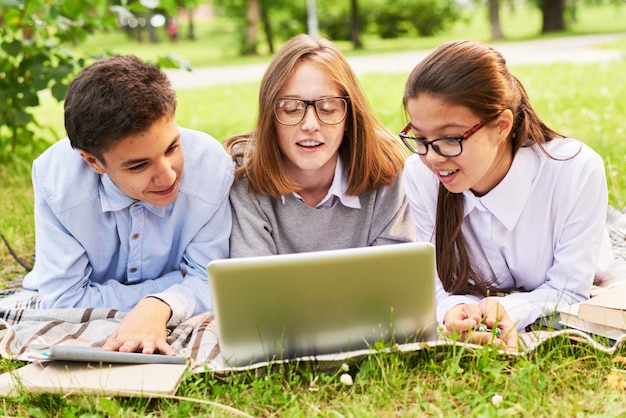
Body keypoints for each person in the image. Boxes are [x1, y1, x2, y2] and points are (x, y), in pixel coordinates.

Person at [400, 40, 614, 348]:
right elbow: (430, 287)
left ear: (501, 126)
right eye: (420, 137)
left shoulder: (576, 171)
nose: (432, 157)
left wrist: (505, 311)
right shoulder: (419, 175)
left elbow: (568, 288)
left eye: (449, 138)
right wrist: (453, 311)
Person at [22, 55, 235, 355]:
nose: (168, 175)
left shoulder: (211, 167)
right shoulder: (55, 181)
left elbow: (213, 280)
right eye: (139, 166)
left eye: (172, 147)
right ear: (93, 161)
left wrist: (158, 307)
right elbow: (64, 302)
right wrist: (175, 289)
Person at [225, 34, 415, 258]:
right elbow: (253, 283)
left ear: (349, 117)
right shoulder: (244, 173)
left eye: (327, 108)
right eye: (291, 108)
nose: (310, 125)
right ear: (270, 117)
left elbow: (394, 276)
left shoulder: (385, 167)